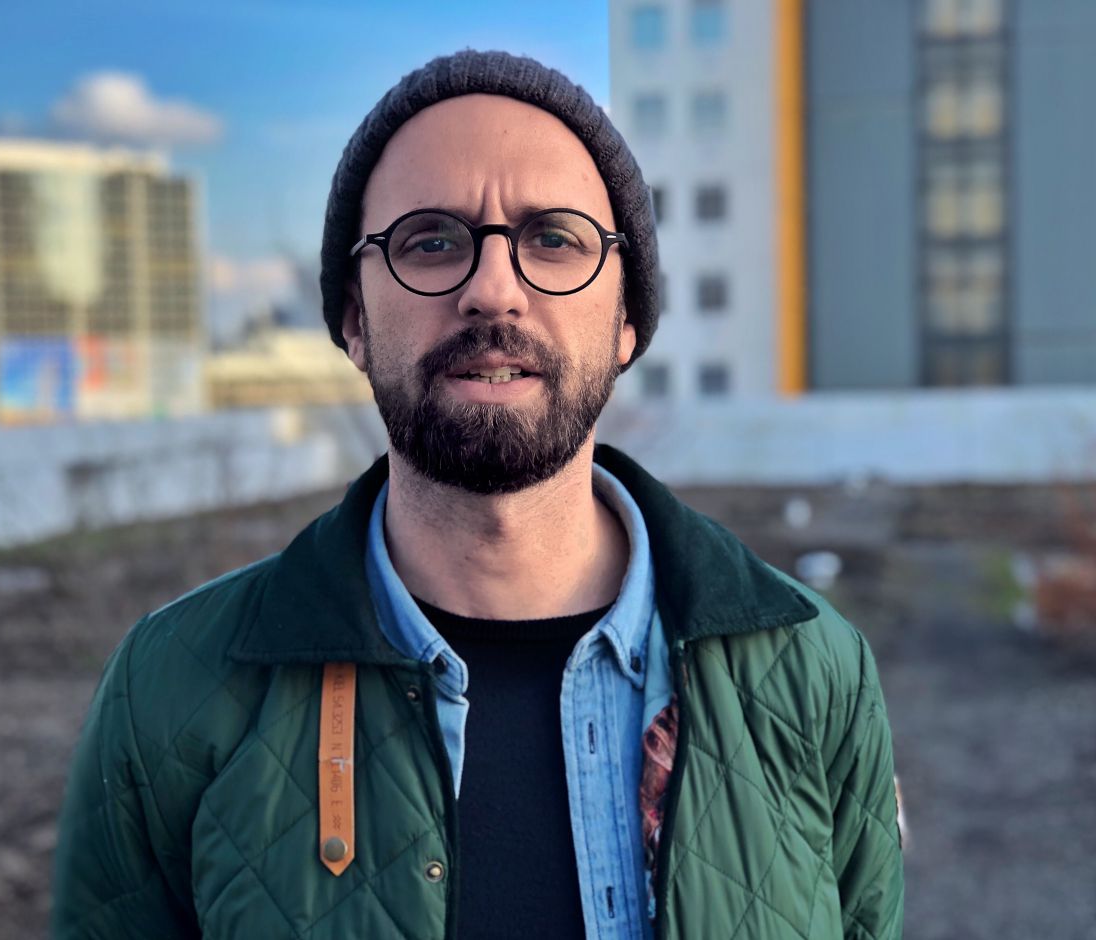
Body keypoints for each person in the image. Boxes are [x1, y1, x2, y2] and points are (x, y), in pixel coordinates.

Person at [52, 50, 904, 939]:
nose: (493, 291)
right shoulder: (170, 686)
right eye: (430, 242)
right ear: (353, 318)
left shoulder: (814, 671)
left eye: (554, 240)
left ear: (626, 321)